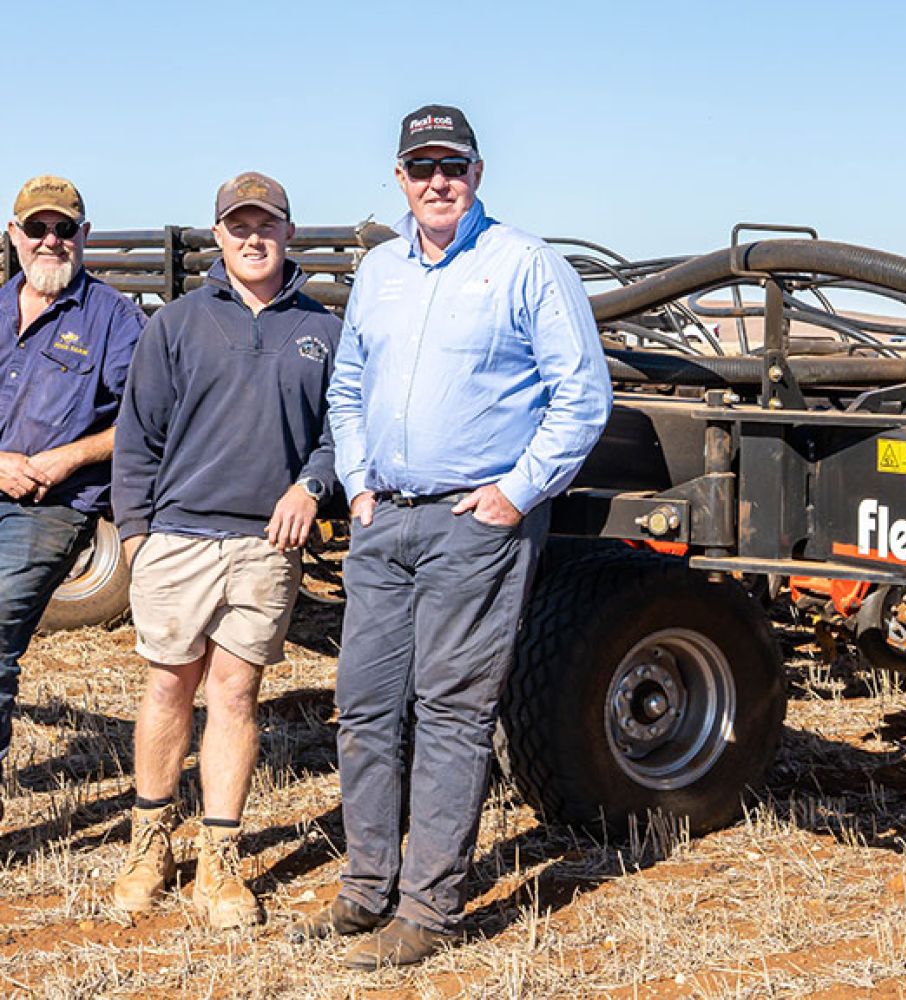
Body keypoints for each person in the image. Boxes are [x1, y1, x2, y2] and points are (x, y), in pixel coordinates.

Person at [296, 104, 613, 967]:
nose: (439, 182)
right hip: (383, 520)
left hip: (472, 527)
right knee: (363, 707)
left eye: (455, 166)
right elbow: (350, 382)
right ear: (399, 178)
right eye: (422, 167)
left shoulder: (524, 265)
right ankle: (365, 890)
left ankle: (428, 909)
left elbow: (581, 394)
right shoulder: (382, 270)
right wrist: (357, 482)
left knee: (449, 713)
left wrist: (516, 493)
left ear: (478, 174)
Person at [110, 172, 341, 929]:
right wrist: (140, 537)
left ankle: (219, 856)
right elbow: (136, 439)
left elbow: (342, 434)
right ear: (217, 236)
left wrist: (311, 485)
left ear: (289, 232)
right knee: (169, 688)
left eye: (265, 224)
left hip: (264, 546)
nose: (252, 237)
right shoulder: (175, 325)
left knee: (236, 694)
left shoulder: (322, 330)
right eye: (237, 225)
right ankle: (150, 843)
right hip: (178, 538)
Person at [0, 175, 145, 811]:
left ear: (84, 237)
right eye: (38, 228)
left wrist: (69, 456)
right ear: (16, 235)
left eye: (64, 229)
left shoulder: (114, 319)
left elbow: (146, 417)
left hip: (50, 507)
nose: (51, 240)